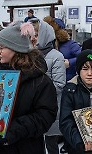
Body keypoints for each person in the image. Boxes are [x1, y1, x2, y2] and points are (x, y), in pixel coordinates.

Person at [0, 22, 58, 154]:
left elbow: (45, 115)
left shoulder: (40, 80)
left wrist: (13, 130)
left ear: (15, 49)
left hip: (25, 147)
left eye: (1, 47)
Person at [30, 18, 66, 154]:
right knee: (35, 142)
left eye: (37, 34)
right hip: (33, 108)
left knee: (51, 142)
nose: (33, 38)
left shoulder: (56, 56)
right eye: (32, 35)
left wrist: (37, 93)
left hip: (50, 106)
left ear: (45, 35)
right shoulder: (29, 55)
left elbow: (59, 83)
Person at [44, 16, 81, 81]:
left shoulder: (70, 45)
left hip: (68, 83)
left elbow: (84, 56)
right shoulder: (45, 46)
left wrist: (70, 62)